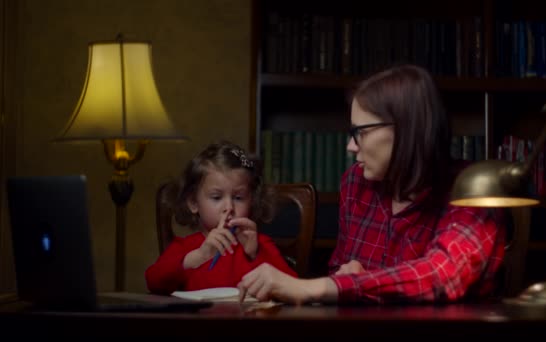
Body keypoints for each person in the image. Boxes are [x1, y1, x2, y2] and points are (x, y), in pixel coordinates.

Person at [237, 64, 506, 305]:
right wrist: (349, 278)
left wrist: (317, 287)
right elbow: (340, 273)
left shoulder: (474, 189)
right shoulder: (356, 183)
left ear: (405, 129)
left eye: (360, 133)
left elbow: (443, 275)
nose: (351, 146)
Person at [145, 140, 297, 295]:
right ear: (193, 203)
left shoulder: (260, 244)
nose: (229, 208)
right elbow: (153, 281)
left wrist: (255, 255)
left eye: (238, 198)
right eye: (217, 197)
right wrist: (197, 257)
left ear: (252, 200)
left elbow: (293, 286)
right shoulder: (183, 248)